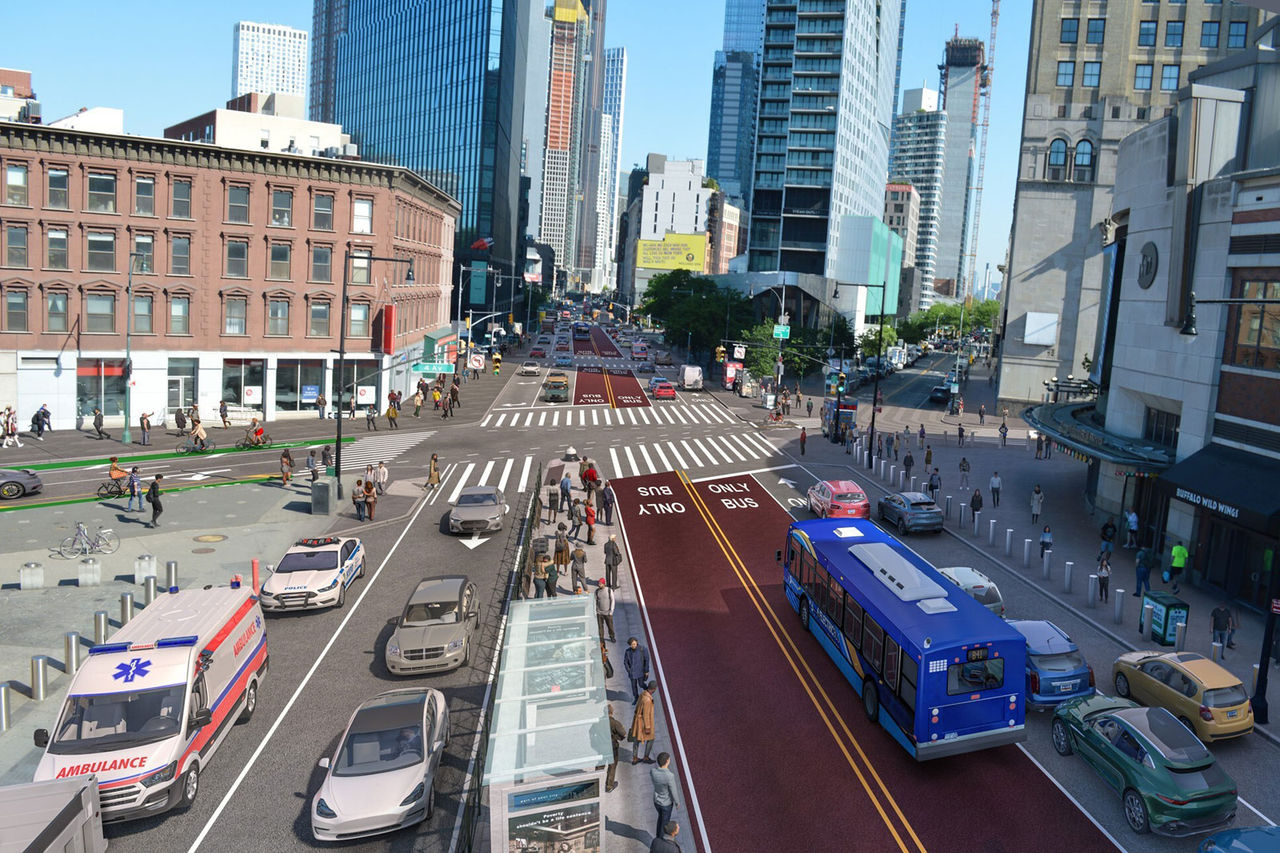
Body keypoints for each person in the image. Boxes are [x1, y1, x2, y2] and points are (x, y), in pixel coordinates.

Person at [650, 753, 680, 844]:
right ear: (667, 761)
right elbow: (673, 790)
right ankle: (660, 841)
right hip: (666, 803)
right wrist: (677, 802)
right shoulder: (669, 776)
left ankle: (658, 836)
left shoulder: (653, 772)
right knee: (665, 823)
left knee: (660, 819)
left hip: (656, 801)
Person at [629, 682, 657, 764]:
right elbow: (646, 715)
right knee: (651, 739)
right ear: (654, 689)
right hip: (643, 723)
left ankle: (635, 758)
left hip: (637, 720)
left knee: (636, 739)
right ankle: (646, 757)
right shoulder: (648, 700)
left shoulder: (643, 694)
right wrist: (647, 727)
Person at [606, 705, 626, 794]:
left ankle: (597, 780)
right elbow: (623, 734)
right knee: (612, 766)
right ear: (611, 712)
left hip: (601, 747)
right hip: (611, 746)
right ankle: (609, 785)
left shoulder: (598, 722)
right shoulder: (614, 723)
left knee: (600, 765)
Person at [624, 638, 650, 704]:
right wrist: (628, 670)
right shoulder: (627, 651)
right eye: (632, 644)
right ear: (630, 645)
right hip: (632, 673)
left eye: (635, 644)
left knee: (641, 684)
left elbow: (647, 660)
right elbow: (625, 662)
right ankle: (636, 698)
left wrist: (646, 670)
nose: (634, 645)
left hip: (640, 671)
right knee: (633, 686)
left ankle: (647, 689)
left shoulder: (642, 649)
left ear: (637, 642)